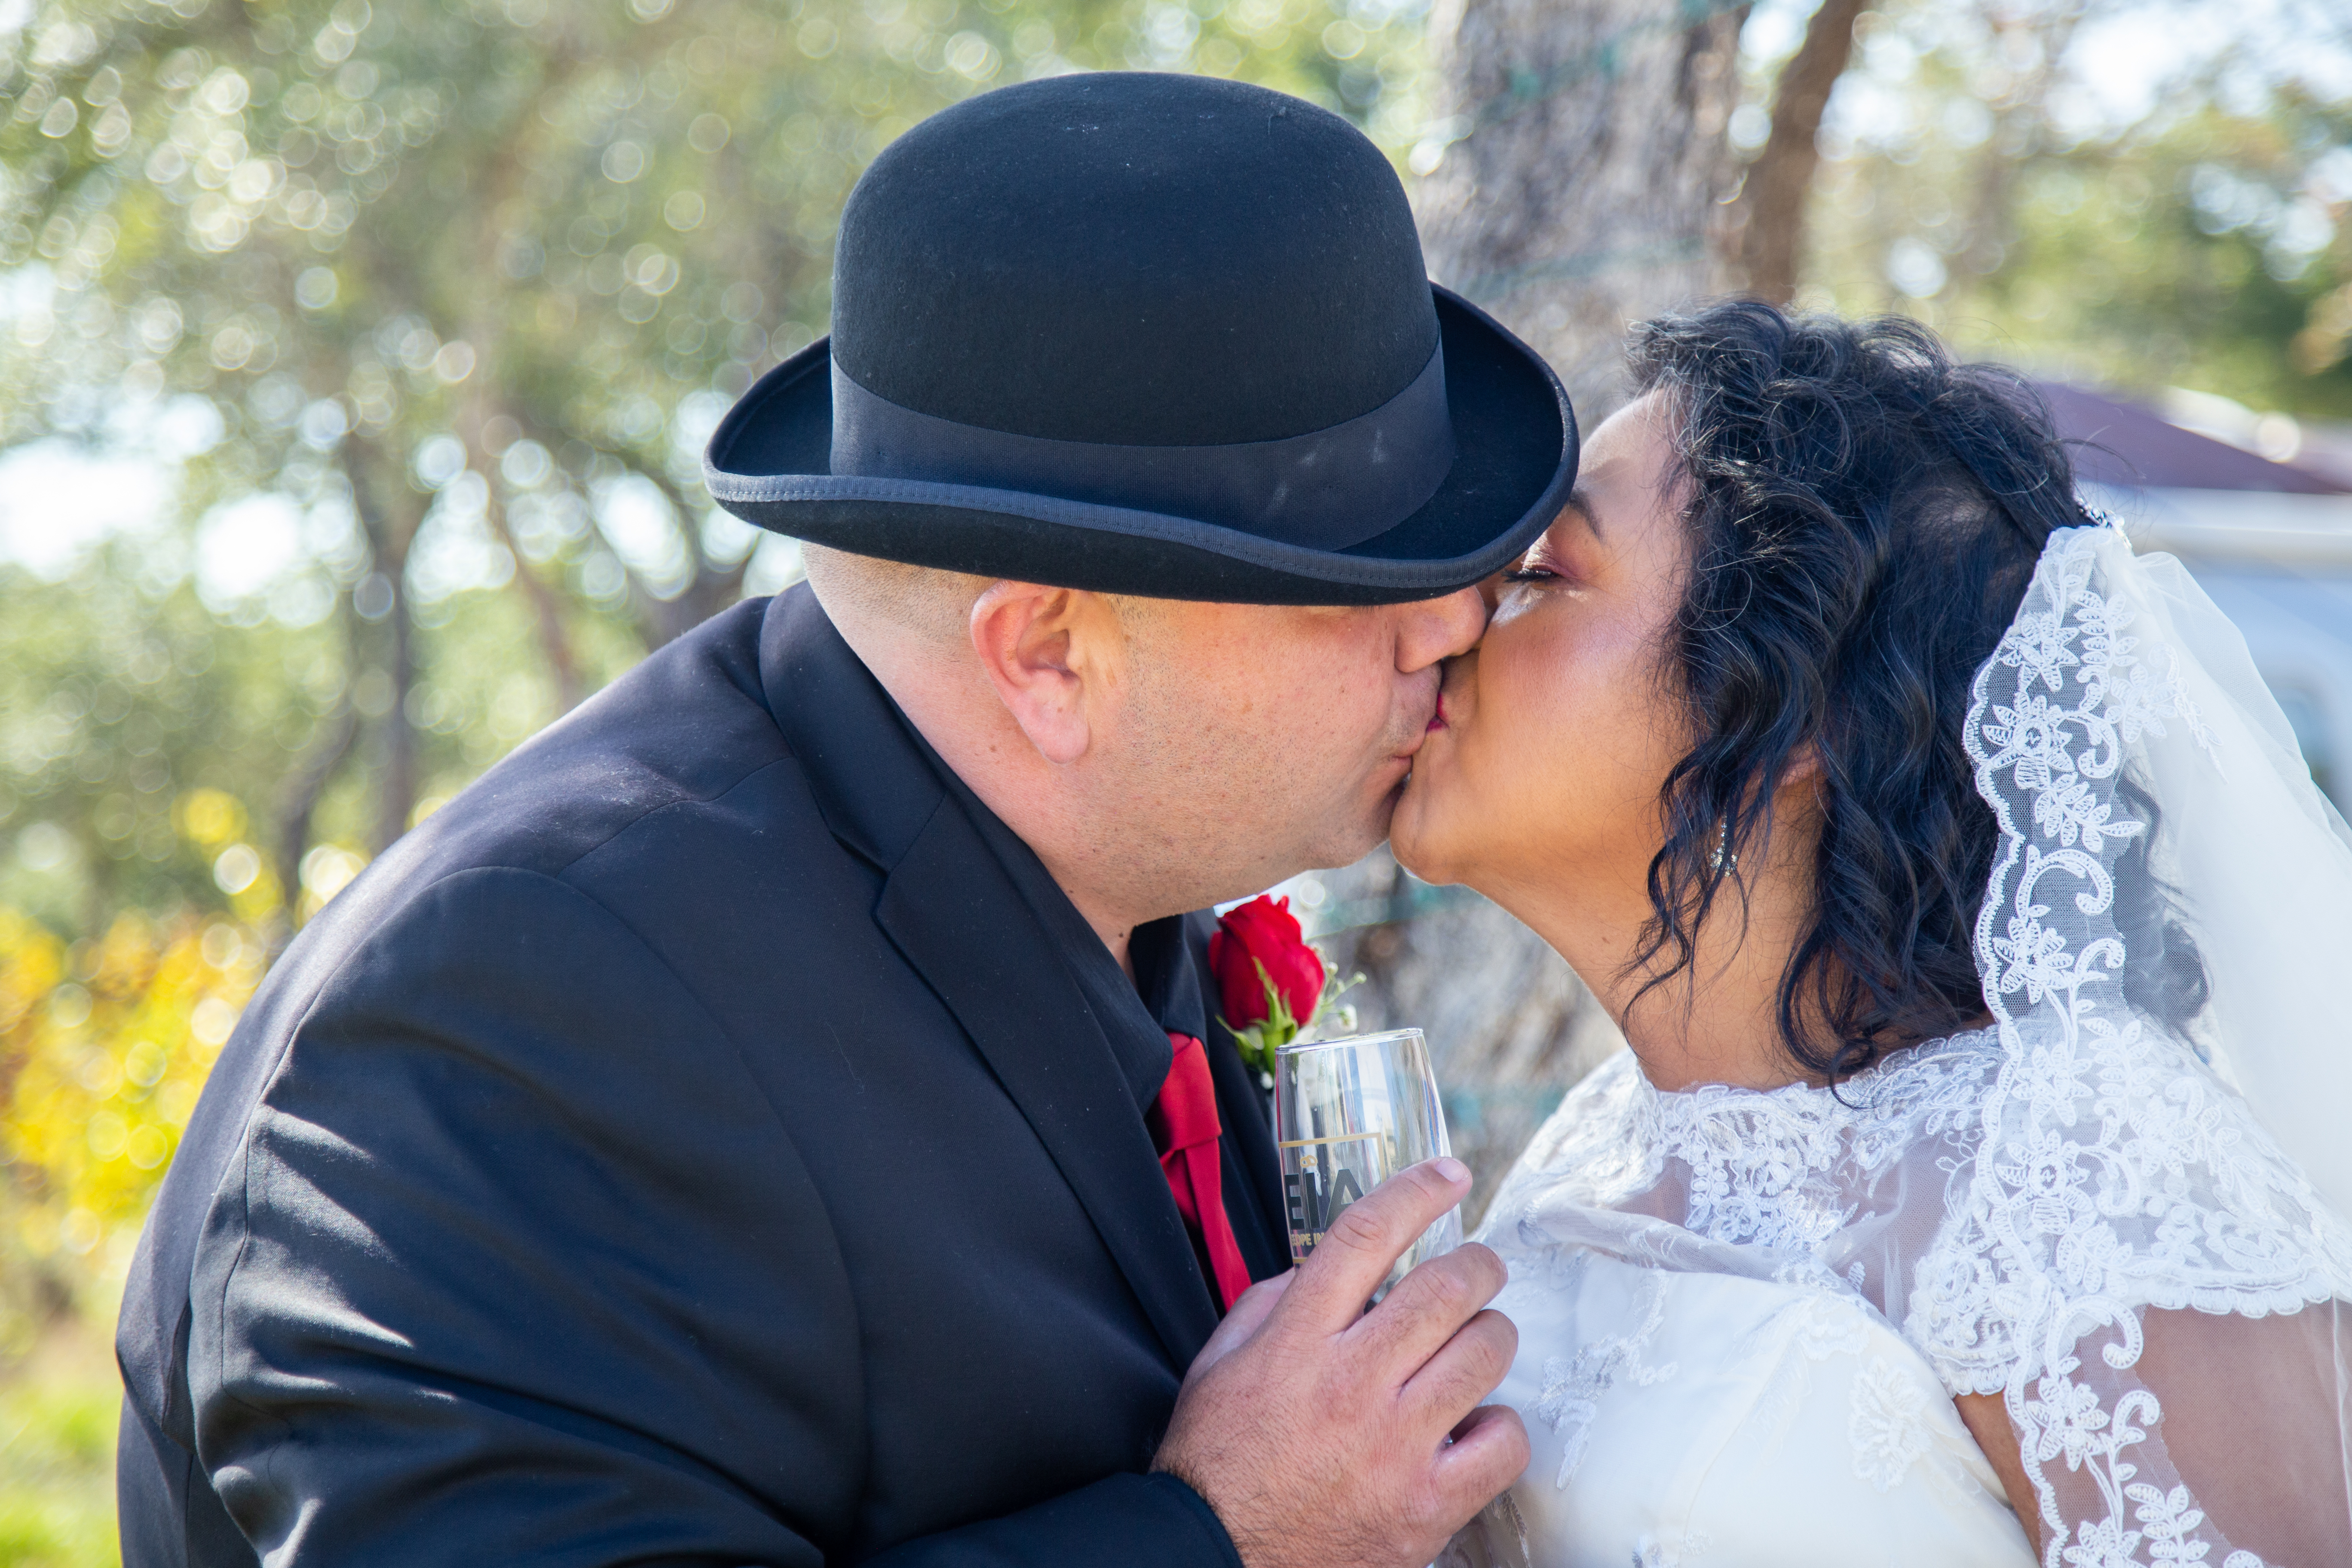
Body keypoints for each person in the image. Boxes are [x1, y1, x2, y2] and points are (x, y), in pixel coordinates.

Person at [114, 71, 1574, 1568]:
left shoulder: (1113, 868)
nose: (1455, 623)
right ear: (1049, 658)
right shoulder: (527, 1011)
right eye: (1354, 579)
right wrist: (1223, 1540)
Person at [1394, 300, 2352, 1567]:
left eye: (1542, 578)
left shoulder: (2074, 1170)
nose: (1457, 620)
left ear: (1796, 716)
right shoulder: (1595, 1141)